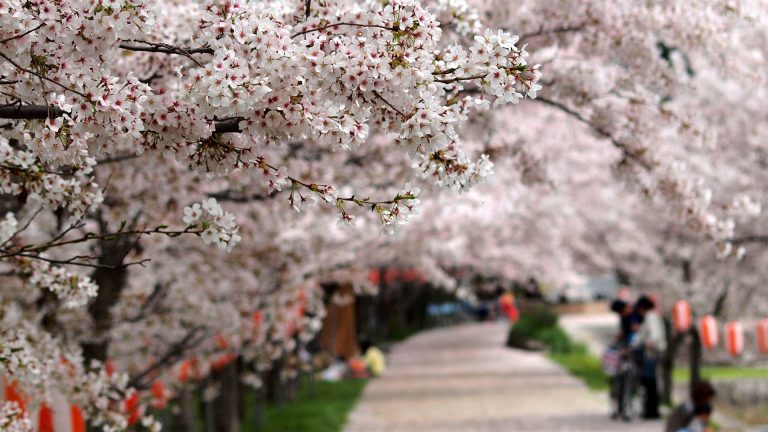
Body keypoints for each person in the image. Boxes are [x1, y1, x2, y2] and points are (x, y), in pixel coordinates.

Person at [633, 295, 667, 419]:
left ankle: (651, 411)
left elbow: (655, 336)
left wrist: (647, 344)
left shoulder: (651, 317)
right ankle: (651, 410)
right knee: (650, 382)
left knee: (649, 382)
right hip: (653, 353)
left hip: (652, 353)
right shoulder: (650, 317)